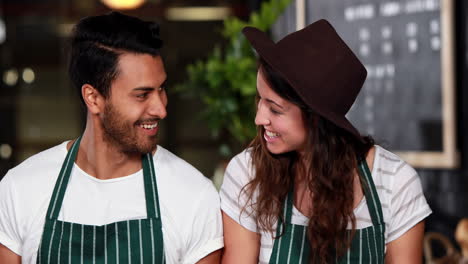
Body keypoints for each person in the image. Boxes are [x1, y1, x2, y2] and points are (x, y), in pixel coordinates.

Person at [0, 12, 223, 264]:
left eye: (161, 89)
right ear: (93, 98)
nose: (160, 109)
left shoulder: (193, 195)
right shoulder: (21, 189)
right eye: (142, 95)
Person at [220, 19, 432, 263]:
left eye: (275, 110)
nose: (259, 118)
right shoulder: (247, 173)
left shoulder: (395, 183)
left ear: (317, 120)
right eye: (260, 99)